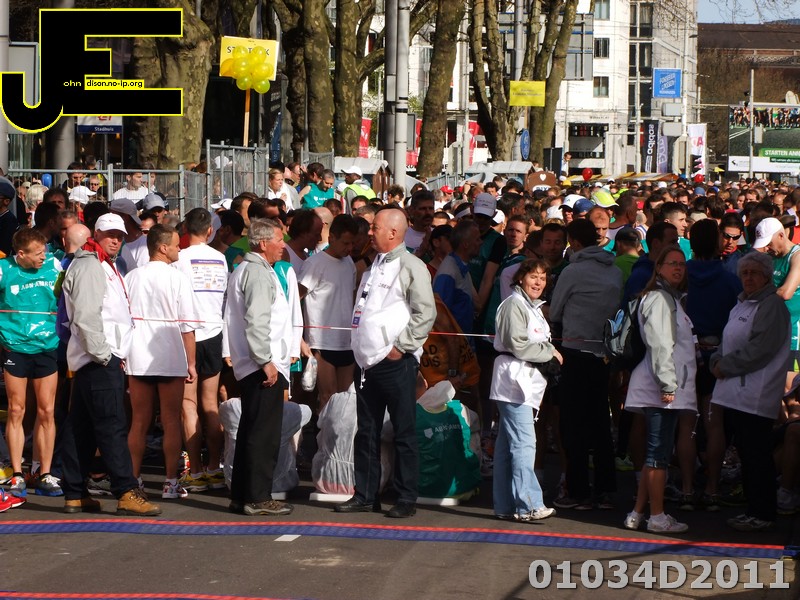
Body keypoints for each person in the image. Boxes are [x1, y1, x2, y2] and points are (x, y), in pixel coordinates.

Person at [335, 207, 435, 518]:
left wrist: (400, 346)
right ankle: (365, 495)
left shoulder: (411, 266)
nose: (369, 232)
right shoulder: (373, 264)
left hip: (396, 363)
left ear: (393, 232)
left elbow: (426, 313)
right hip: (366, 362)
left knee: (404, 432)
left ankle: (406, 498)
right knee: (366, 431)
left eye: (374, 227)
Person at [60, 213, 161, 516]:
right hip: (100, 358)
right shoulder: (92, 265)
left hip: (94, 358)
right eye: (110, 234)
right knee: (112, 426)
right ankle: (126, 491)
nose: (116, 240)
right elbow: (86, 316)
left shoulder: (101, 263)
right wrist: (104, 354)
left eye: (120, 235)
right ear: (96, 234)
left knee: (81, 429)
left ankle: (75, 492)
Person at [710, 252, 790, 531]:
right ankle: (753, 509)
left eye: (754, 273)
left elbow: (760, 349)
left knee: (757, 454)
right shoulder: (741, 304)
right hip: (736, 393)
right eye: (744, 273)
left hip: (756, 393)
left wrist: (724, 366)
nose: (748, 278)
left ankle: (763, 513)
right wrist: (716, 359)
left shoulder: (772, 305)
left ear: (766, 276)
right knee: (746, 452)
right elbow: (728, 340)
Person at [623, 245, 697, 533]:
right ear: (659, 268)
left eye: (681, 263)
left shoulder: (669, 298)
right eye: (672, 263)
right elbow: (659, 344)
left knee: (656, 453)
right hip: (661, 386)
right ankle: (657, 517)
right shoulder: (659, 298)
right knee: (658, 455)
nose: (678, 268)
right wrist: (667, 384)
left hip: (663, 385)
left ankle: (637, 513)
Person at [224, 218, 295, 516]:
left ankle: (243, 495)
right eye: (279, 239)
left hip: (253, 362)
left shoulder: (248, 269)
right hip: (262, 363)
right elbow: (257, 321)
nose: (283, 245)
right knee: (263, 434)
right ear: (263, 243)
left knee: (252, 430)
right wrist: (266, 361)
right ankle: (257, 497)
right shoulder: (256, 272)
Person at [550, 218, 622, 510]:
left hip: (575, 351)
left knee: (573, 424)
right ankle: (605, 490)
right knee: (600, 423)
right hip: (603, 353)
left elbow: (555, 311)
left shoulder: (573, 271)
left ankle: (578, 490)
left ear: (575, 243)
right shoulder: (615, 271)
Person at [124, 225, 199, 499]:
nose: (180, 249)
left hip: (139, 356)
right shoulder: (178, 278)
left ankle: (134, 480)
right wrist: (191, 363)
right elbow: (188, 326)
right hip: (170, 357)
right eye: (177, 245)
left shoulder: (131, 277)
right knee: (170, 421)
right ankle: (170, 482)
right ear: (163, 247)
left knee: (139, 421)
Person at [491, 258, 561, 522]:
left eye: (542, 278)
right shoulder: (513, 305)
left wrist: (546, 352)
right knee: (524, 443)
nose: (538, 282)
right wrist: (549, 353)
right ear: (520, 278)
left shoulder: (531, 307)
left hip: (521, 381)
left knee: (507, 446)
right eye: (533, 276)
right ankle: (529, 504)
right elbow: (517, 344)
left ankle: (505, 505)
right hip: (514, 381)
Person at [0, 229, 62, 499]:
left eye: (44, 251)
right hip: (15, 347)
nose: (43, 256)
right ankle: (17, 473)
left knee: (47, 410)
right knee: (16, 409)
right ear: (21, 254)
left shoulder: (54, 265)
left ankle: (44, 473)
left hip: (46, 346)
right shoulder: (4, 269)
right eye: (37, 253)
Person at [174, 208, 228, 493]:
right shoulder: (220, 258)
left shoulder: (179, 258)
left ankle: (195, 470)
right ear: (210, 231)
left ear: (185, 229)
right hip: (215, 332)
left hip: (189, 335)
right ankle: (214, 468)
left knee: (188, 404)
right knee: (210, 404)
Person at [298, 214, 358, 409]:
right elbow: (296, 299)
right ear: (331, 238)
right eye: (345, 243)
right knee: (328, 397)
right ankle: (322, 429)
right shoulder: (314, 264)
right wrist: (299, 338)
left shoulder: (349, 263)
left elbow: (351, 297)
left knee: (345, 399)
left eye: (352, 243)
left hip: (347, 341)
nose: (349, 248)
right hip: (322, 341)